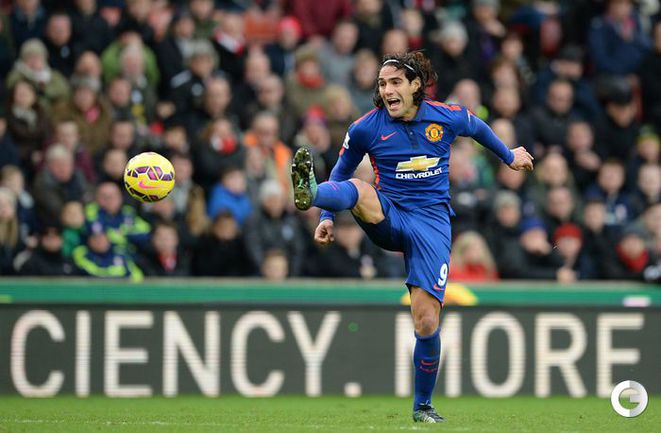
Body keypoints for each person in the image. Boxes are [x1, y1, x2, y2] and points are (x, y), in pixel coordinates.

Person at [290, 51, 533, 423]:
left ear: (416, 84)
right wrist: (325, 214)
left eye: (395, 82)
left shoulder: (445, 116)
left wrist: (508, 156)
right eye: (382, 84)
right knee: (360, 187)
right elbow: (340, 172)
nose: (387, 90)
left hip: (431, 224)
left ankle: (422, 407)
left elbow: (477, 127)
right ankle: (311, 192)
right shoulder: (365, 128)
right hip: (389, 213)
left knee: (426, 322)